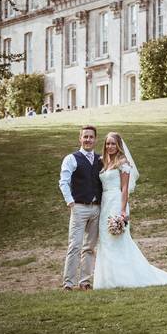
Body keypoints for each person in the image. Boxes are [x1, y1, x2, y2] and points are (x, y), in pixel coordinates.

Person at [93, 132, 167, 289]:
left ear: (119, 145)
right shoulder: (105, 162)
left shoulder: (123, 162)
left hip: (116, 202)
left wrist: (122, 211)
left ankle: (124, 278)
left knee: (119, 240)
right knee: (105, 241)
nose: (110, 146)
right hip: (105, 204)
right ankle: (107, 280)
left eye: (113, 143)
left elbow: (125, 188)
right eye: (107, 143)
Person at [57, 125, 102, 291]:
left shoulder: (100, 159)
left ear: (95, 139)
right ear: (80, 139)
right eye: (85, 137)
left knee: (89, 247)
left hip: (97, 208)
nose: (88, 140)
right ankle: (68, 283)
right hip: (79, 207)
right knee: (74, 246)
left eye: (91, 137)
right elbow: (63, 181)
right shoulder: (71, 158)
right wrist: (70, 202)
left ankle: (84, 282)